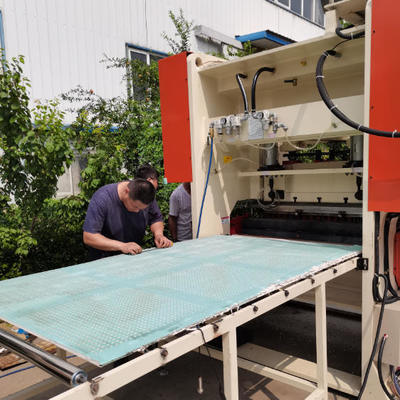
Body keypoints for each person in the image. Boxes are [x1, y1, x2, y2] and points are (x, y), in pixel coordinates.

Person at [83, 178, 172, 260]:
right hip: (105, 259)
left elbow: (155, 218)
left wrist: (159, 235)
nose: (137, 211)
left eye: (142, 209)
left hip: (133, 255)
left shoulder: (145, 193)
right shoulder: (102, 198)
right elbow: (89, 237)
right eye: (135, 206)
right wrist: (122, 246)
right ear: (126, 191)